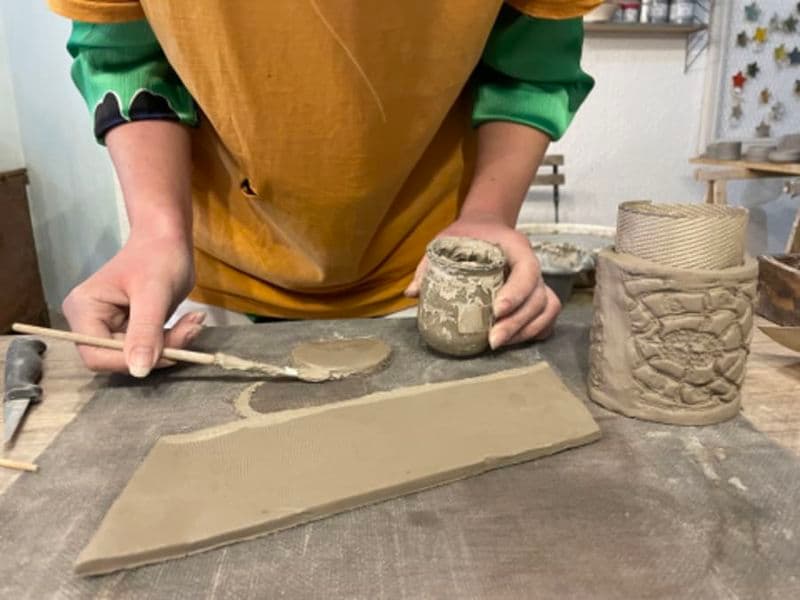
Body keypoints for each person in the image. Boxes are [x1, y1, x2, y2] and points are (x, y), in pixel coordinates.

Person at [49, 0, 599, 377]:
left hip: (421, 268)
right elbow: (127, 54)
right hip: (203, 268)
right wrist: (156, 230)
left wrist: (490, 215)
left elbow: (532, 64)